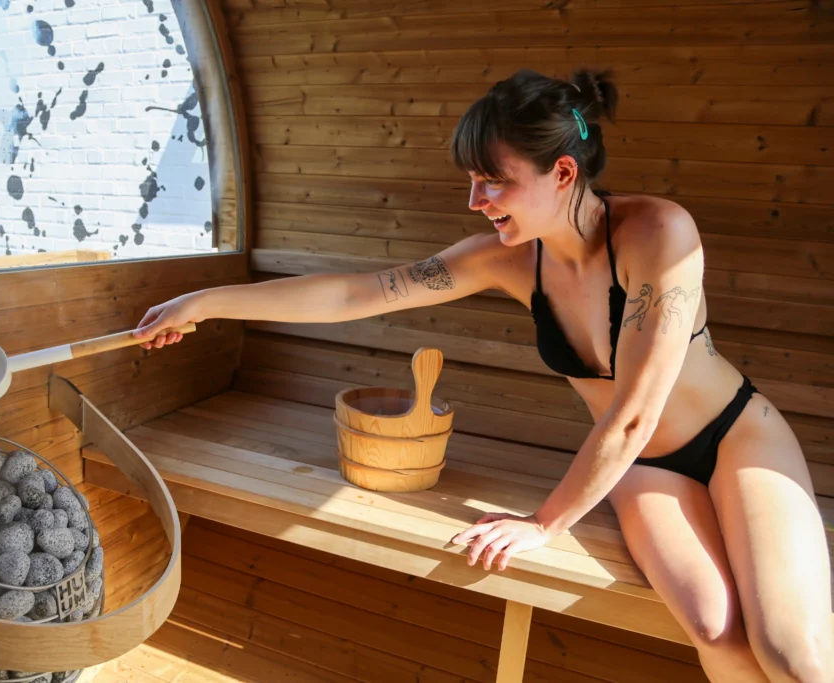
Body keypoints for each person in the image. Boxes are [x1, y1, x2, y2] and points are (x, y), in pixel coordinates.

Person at [133, 68, 832, 681]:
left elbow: (634, 412)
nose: (476, 200)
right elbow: (358, 293)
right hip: (646, 468)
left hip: (737, 436)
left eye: (494, 180)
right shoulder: (505, 259)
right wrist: (210, 302)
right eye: (472, 181)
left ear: (562, 172)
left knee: (792, 653)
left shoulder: (659, 234)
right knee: (715, 626)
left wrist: (545, 523)